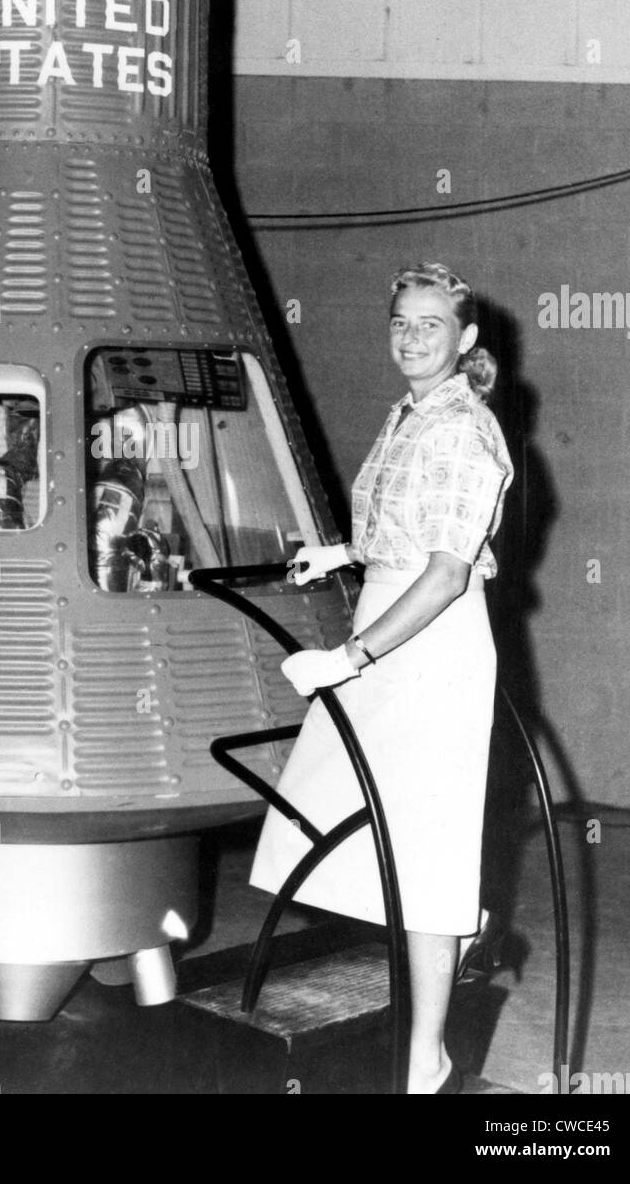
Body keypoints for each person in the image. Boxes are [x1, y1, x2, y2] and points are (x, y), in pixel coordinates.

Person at [250, 261, 514, 1095]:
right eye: (399, 321)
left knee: (421, 863)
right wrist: (343, 551)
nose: (409, 337)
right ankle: (468, 924)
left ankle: (425, 1060)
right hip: (385, 622)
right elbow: (400, 531)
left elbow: (443, 574)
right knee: (345, 823)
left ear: (464, 340)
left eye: (429, 325)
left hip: (428, 648)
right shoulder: (406, 415)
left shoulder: (465, 428)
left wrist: (351, 656)